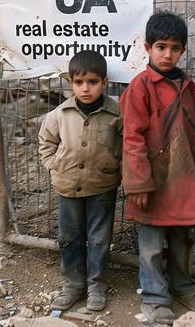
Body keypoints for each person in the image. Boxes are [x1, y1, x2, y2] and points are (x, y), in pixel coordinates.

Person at [120, 12, 195, 325]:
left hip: (184, 180)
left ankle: (184, 286)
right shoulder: (140, 88)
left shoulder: (188, 88)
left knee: (182, 238)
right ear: (147, 48)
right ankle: (155, 296)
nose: (167, 54)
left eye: (175, 48)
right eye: (161, 47)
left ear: (182, 51)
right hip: (153, 182)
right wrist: (138, 184)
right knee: (150, 244)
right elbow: (132, 139)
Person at [39, 50, 122, 312]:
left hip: (102, 186)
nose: (85, 89)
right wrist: (54, 167)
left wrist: (117, 167)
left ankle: (96, 286)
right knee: (69, 237)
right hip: (67, 186)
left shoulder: (116, 113)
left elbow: (127, 144)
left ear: (105, 82)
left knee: (99, 238)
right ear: (71, 83)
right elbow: (46, 143)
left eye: (93, 82)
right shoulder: (60, 114)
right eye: (79, 83)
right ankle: (73, 284)